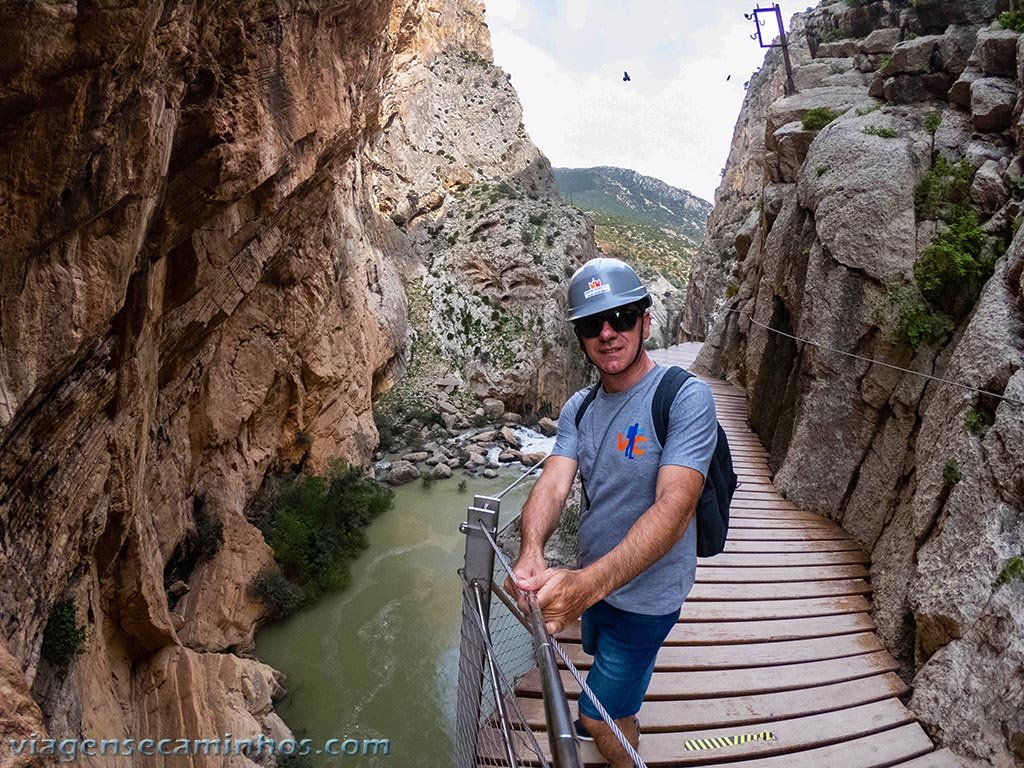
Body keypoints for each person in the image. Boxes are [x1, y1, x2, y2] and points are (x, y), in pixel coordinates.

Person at [509, 257, 717, 768]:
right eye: (591, 324)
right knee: (607, 673)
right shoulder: (579, 407)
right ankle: (627, 716)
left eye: (622, 317)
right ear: (580, 336)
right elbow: (554, 482)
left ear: (646, 321)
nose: (608, 332)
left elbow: (675, 504)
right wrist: (532, 548)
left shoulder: (685, 398)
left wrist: (586, 585)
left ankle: (622, 749)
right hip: (596, 583)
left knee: (596, 717)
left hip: (647, 597)